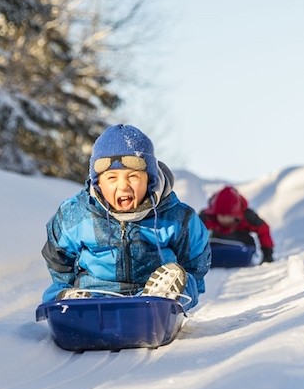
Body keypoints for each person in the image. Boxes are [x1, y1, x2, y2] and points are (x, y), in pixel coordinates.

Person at [41, 123, 211, 310]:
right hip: (96, 293)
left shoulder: (176, 217)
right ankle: (73, 304)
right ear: (98, 183)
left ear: (150, 180)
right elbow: (58, 257)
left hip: (149, 292)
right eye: (111, 178)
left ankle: (162, 301)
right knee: (62, 293)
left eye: (133, 177)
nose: (123, 187)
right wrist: (66, 285)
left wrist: (187, 285)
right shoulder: (77, 214)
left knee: (179, 285)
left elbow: (196, 260)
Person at [199, 185, 275, 263]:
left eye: (229, 216)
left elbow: (263, 229)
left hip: (243, 248)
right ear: (215, 213)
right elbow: (193, 234)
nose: (225, 219)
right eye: (222, 215)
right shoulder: (208, 217)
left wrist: (267, 253)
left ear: (236, 214)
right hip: (217, 246)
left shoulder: (247, 216)